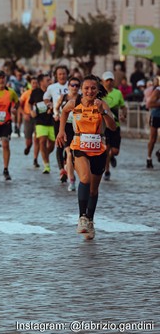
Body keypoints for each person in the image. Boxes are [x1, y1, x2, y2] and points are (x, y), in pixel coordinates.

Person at [56, 75, 116, 240]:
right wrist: (61, 131)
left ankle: (90, 220)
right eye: (86, 88)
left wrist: (103, 112)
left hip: (98, 149)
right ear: (81, 90)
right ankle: (82, 217)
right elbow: (64, 112)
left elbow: (112, 126)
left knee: (93, 189)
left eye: (93, 88)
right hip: (79, 146)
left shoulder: (102, 104)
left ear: (97, 90)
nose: (90, 91)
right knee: (85, 178)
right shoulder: (74, 103)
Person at [55, 76, 81, 191]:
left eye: (77, 85)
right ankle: (72, 181)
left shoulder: (82, 99)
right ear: (68, 86)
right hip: (66, 127)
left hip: (79, 128)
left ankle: (70, 168)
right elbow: (56, 108)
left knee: (76, 155)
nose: (74, 87)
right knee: (69, 153)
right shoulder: (63, 97)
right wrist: (56, 114)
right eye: (72, 85)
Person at [44, 65, 69, 180]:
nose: (62, 76)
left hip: (72, 120)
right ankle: (62, 170)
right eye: (60, 74)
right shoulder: (52, 87)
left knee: (69, 145)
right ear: (56, 75)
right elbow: (46, 98)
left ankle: (67, 164)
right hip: (57, 119)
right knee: (60, 144)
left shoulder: (73, 85)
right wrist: (50, 106)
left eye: (64, 73)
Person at [101, 71, 126, 180]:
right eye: (107, 80)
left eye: (111, 80)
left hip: (115, 125)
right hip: (104, 126)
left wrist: (124, 115)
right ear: (103, 81)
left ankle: (111, 157)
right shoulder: (100, 94)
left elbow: (123, 106)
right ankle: (107, 171)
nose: (109, 82)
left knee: (115, 151)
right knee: (106, 149)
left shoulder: (118, 93)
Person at [29, 74, 56, 174]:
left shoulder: (53, 91)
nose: (50, 81)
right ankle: (46, 165)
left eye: (50, 80)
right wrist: (31, 111)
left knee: (52, 145)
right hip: (40, 121)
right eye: (47, 80)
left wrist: (53, 108)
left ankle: (44, 155)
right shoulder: (35, 92)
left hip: (52, 121)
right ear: (41, 82)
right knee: (42, 141)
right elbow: (30, 103)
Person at [19, 75, 41, 167]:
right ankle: (28, 147)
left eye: (36, 83)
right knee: (29, 140)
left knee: (37, 139)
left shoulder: (42, 93)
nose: (35, 85)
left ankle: (35, 159)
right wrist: (24, 114)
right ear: (30, 84)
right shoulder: (26, 93)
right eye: (33, 83)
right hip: (28, 117)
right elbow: (19, 105)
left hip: (38, 117)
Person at [146, 78, 160, 168]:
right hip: (156, 116)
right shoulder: (158, 91)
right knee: (153, 139)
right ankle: (149, 158)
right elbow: (149, 104)